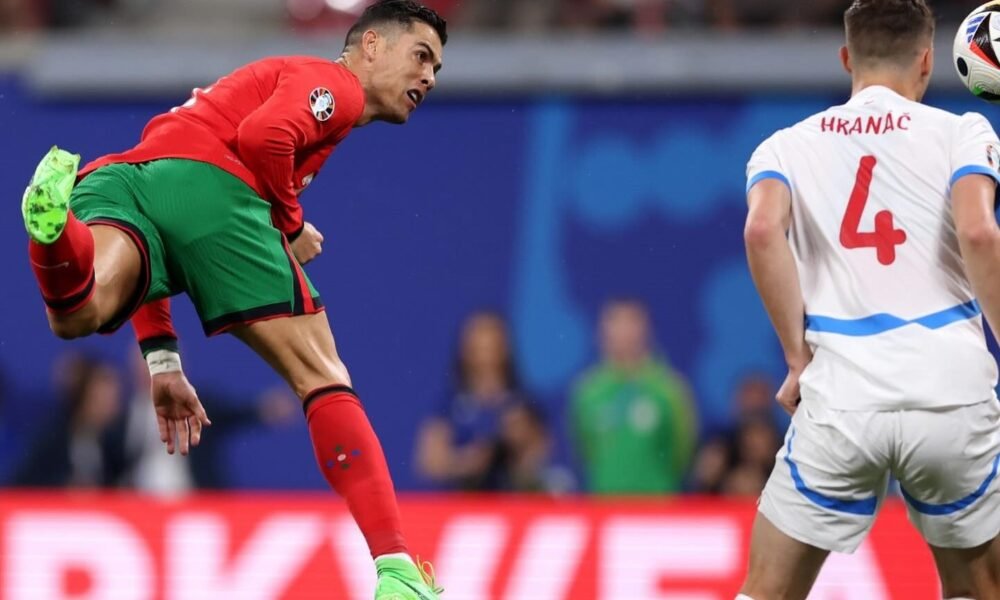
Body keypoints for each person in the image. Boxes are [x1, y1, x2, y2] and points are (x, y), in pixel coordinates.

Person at [20, 1, 446, 597]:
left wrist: (163, 362)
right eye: (421, 56)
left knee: (79, 310)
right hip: (213, 186)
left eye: (436, 68)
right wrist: (289, 224)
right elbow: (264, 137)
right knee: (322, 376)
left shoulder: (280, 84)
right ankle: (398, 569)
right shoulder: (338, 86)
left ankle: (52, 229)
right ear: (371, 46)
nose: (428, 76)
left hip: (130, 177)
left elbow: (165, 238)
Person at [741, 1, 1000, 597]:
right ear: (928, 61)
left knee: (766, 591)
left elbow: (761, 230)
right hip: (949, 394)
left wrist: (796, 358)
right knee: (978, 589)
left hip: (843, 398)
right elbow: (979, 232)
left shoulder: (784, 147)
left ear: (846, 58)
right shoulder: (963, 132)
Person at [570, 298, 697, 495]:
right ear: (602, 331)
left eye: (631, 322)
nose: (623, 332)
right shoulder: (587, 392)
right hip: (604, 504)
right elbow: (585, 452)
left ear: (646, 329)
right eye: (615, 323)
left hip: (658, 505)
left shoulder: (670, 389)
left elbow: (681, 453)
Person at [415, 311, 529, 490]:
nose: (485, 355)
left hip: (510, 500)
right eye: (478, 346)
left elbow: (537, 458)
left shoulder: (520, 404)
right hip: (463, 499)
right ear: (465, 350)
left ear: (505, 349)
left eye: (491, 346)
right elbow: (428, 462)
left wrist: (517, 444)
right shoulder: (450, 405)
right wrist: (466, 463)